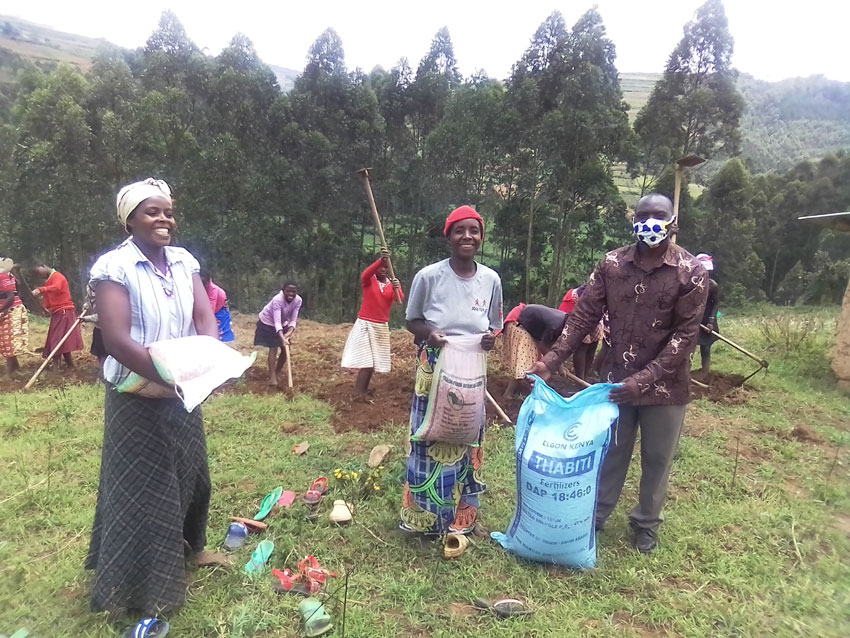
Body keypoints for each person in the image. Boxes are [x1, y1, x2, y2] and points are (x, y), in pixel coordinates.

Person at [529, 193, 708, 554]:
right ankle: (595, 516)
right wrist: (552, 360)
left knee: (658, 458)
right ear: (633, 220)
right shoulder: (611, 264)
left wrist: (641, 381)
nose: (650, 223)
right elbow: (583, 316)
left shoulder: (692, 272)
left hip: (666, 385)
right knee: (610, 450)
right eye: (643, 216)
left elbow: (686, 337)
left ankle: (646, 523)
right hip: (614, 379)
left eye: (658, 216)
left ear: (673, 221)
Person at [85, 178, 224, 616]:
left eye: (167, 211)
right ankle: (138, 587)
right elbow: (117, 340)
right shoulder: (115, 267)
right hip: (135, 393)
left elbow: (206, 320)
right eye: (151, 211)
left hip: (182, 389)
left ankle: (191, 547)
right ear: (130, 219)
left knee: (190, 472)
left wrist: (203, 363)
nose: (163, 218)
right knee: (142, 489)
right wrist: (169, 375)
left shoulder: (184, 262)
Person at [402, 205, 503, 537]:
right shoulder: (429, 276)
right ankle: (422, 519)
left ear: (481, 237)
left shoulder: (491, 280)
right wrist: (430, 333)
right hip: (434, 365)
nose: (467, 237)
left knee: (467, 432)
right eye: (460, 230)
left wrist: (489, 341)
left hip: (472, 370)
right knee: (428, 433)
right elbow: (411, 320)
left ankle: (463, 516)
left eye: (474, 231)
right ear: (448, 237)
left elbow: (494, 327)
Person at [340, 248, 403, 395]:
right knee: (366, 361)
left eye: (387, 267)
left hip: (380, 327)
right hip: (365, 324)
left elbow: (399, 299)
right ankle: (359, 393)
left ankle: (362, 391)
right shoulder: (369, 281)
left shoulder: (391, 284)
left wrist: (397, 287)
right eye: (381, 266)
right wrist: (381, 260)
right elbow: (365, 274)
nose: (383, 270)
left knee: (373, 362)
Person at [30, 261, 83, 368]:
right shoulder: (49, 280)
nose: (40, 276)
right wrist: (46, 308)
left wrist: (41, 290)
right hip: (57, 312)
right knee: (62, 339)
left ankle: (56, 367)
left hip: (64, 311)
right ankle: (70, 365)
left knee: (57, 339)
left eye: (39, 272)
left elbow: (57, 287)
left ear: (43, 265)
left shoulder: (57, 276)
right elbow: (50, 297)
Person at [254, 282, 302, 387]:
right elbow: (276, 322)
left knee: (285, 349)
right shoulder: (277, 300)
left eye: (294, 291)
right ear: (283, 291)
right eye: (288, 291)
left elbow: (293, 320)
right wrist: (281, 337)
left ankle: (277, 372)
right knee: (274, 347)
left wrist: (288, 334)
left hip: (283, 323)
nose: (291, 294)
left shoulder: (298, 300)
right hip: (268, 322)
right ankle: (272, 378)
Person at [560, 285, 604, 381]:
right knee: (582, 345)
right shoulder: (590, 289)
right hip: (582, 309)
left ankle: (585, 376)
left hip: (597, 312)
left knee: (593, 343)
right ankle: (580, 378)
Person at [0, 258, 29, 374]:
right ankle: (14, 366)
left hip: (11, 310)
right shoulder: (8, 275)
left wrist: (2, 308)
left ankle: (10, 369)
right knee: (5, 339)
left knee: (9, 339)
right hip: (10, 309)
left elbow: (11, 296)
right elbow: (18, 287)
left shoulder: (3, 276)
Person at [695, 253, 720, 374]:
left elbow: (715, 304)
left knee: (705, 347)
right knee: (687, 347)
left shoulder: (713, 286)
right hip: (692, 319)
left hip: (707, 319)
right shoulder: (689, 284)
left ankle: (705, 372)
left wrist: (710, 321)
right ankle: (684, 373)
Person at [200, 268, 235, 342]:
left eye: (204, 283)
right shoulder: (198, 288)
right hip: (211, 310)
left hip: (220, 310)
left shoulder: (213, 290)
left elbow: (209, 311)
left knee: (222, 334)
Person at [80, 281, 107, 366]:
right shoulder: (90, 286)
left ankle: (106, 373)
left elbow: (102, 316)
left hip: (108, 329)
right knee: (100, 352)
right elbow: (89, 299)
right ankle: (102, 370)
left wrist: (86, 319)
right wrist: (86, 305)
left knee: (107, 353)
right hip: (98, 328)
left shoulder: (106, 290)